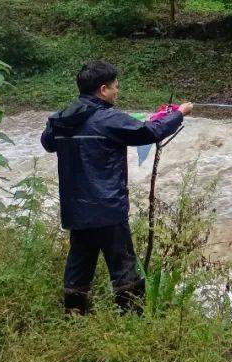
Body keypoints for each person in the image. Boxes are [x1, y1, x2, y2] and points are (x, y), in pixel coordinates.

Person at [40, 61, 192, 314]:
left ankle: (74, 318)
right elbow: (150, 132)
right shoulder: (108, 119)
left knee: (79, 266)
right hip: (108, 208)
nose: (117, 92)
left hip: (76, 210)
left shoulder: (59, 120)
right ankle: (132, 320)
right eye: (115, 87)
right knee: (123, 270)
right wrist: (179, 114)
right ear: (103, 89)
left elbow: (47, 143)